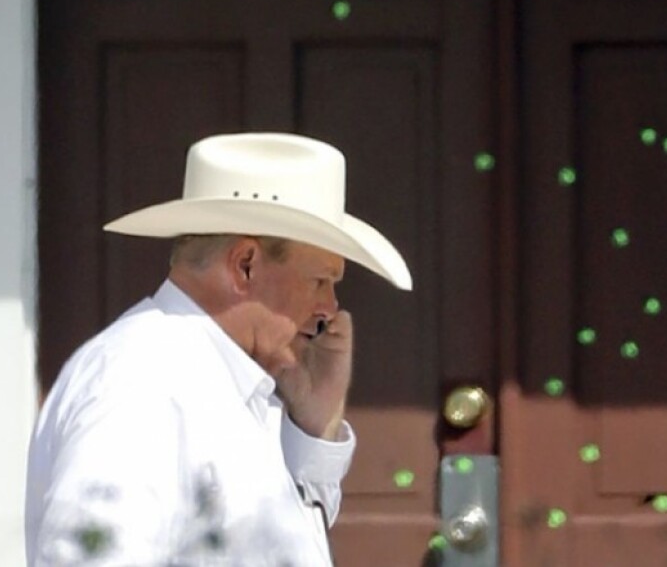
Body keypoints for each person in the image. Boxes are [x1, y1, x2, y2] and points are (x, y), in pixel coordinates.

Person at [25, 132, 412, 566]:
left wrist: (314, 428)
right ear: (244, 266)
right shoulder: (142, 380)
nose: (329, 309)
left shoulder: (216, 377)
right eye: (319, 281)